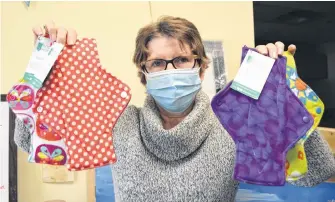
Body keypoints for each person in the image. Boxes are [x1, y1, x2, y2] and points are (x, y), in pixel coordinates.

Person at [16, 16, 335, 201]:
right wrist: (47, 77)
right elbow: (30, 143)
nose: (170, 70)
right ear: (143, 72)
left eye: (181, 59)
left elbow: (316, 174)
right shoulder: (115, 121)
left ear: (201, 67)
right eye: (157, 63)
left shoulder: (235, 123)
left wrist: (287, 94)